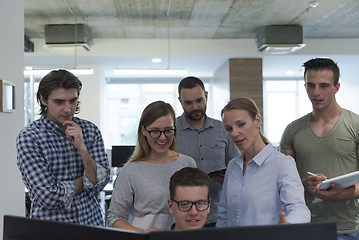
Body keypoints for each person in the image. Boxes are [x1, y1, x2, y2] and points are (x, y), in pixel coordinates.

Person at [16, 69, 110, 226]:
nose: (67, 109)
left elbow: (101, 182)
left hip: (92, 226)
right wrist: (86, 181)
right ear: (43, 100)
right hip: (52, 230)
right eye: (59, 102)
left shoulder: (90, 130)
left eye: (72, 101)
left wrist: (82, 149)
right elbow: (48, 197)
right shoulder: (29, 137)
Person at [280, 58, 359, 240]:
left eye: (324, 86)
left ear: (336, 87)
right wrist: (303, 183)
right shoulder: (293, 129)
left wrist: (343, 193)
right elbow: (282, 182)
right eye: (310, 85)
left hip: (345, 228)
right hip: (304, 227)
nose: (316, 93)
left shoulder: (355, 125)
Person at [216, 97, 310, 227]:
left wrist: (288, 224)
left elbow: (299, 209)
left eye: (241, 124)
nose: (234, 133)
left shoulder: (282, 164)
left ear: (257, 120)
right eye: (228, 128)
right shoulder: (233, 166)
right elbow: (224, 216)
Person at [107, 101, 196, 232]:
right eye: (155, 131)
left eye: (168, 130)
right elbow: (114, 218)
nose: (162, 137)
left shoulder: (188, 164)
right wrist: (144, 234)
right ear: (144, 130)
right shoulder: (130, 171)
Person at [176, 76, 239, 227]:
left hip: (217, 215)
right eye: (189, 103)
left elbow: (237, 166)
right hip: (183, 218)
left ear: (206, 96)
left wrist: (228, 176)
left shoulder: (223, 129)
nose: (195, 107)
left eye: (199, 100)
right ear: (180, 101)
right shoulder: (171, 131)